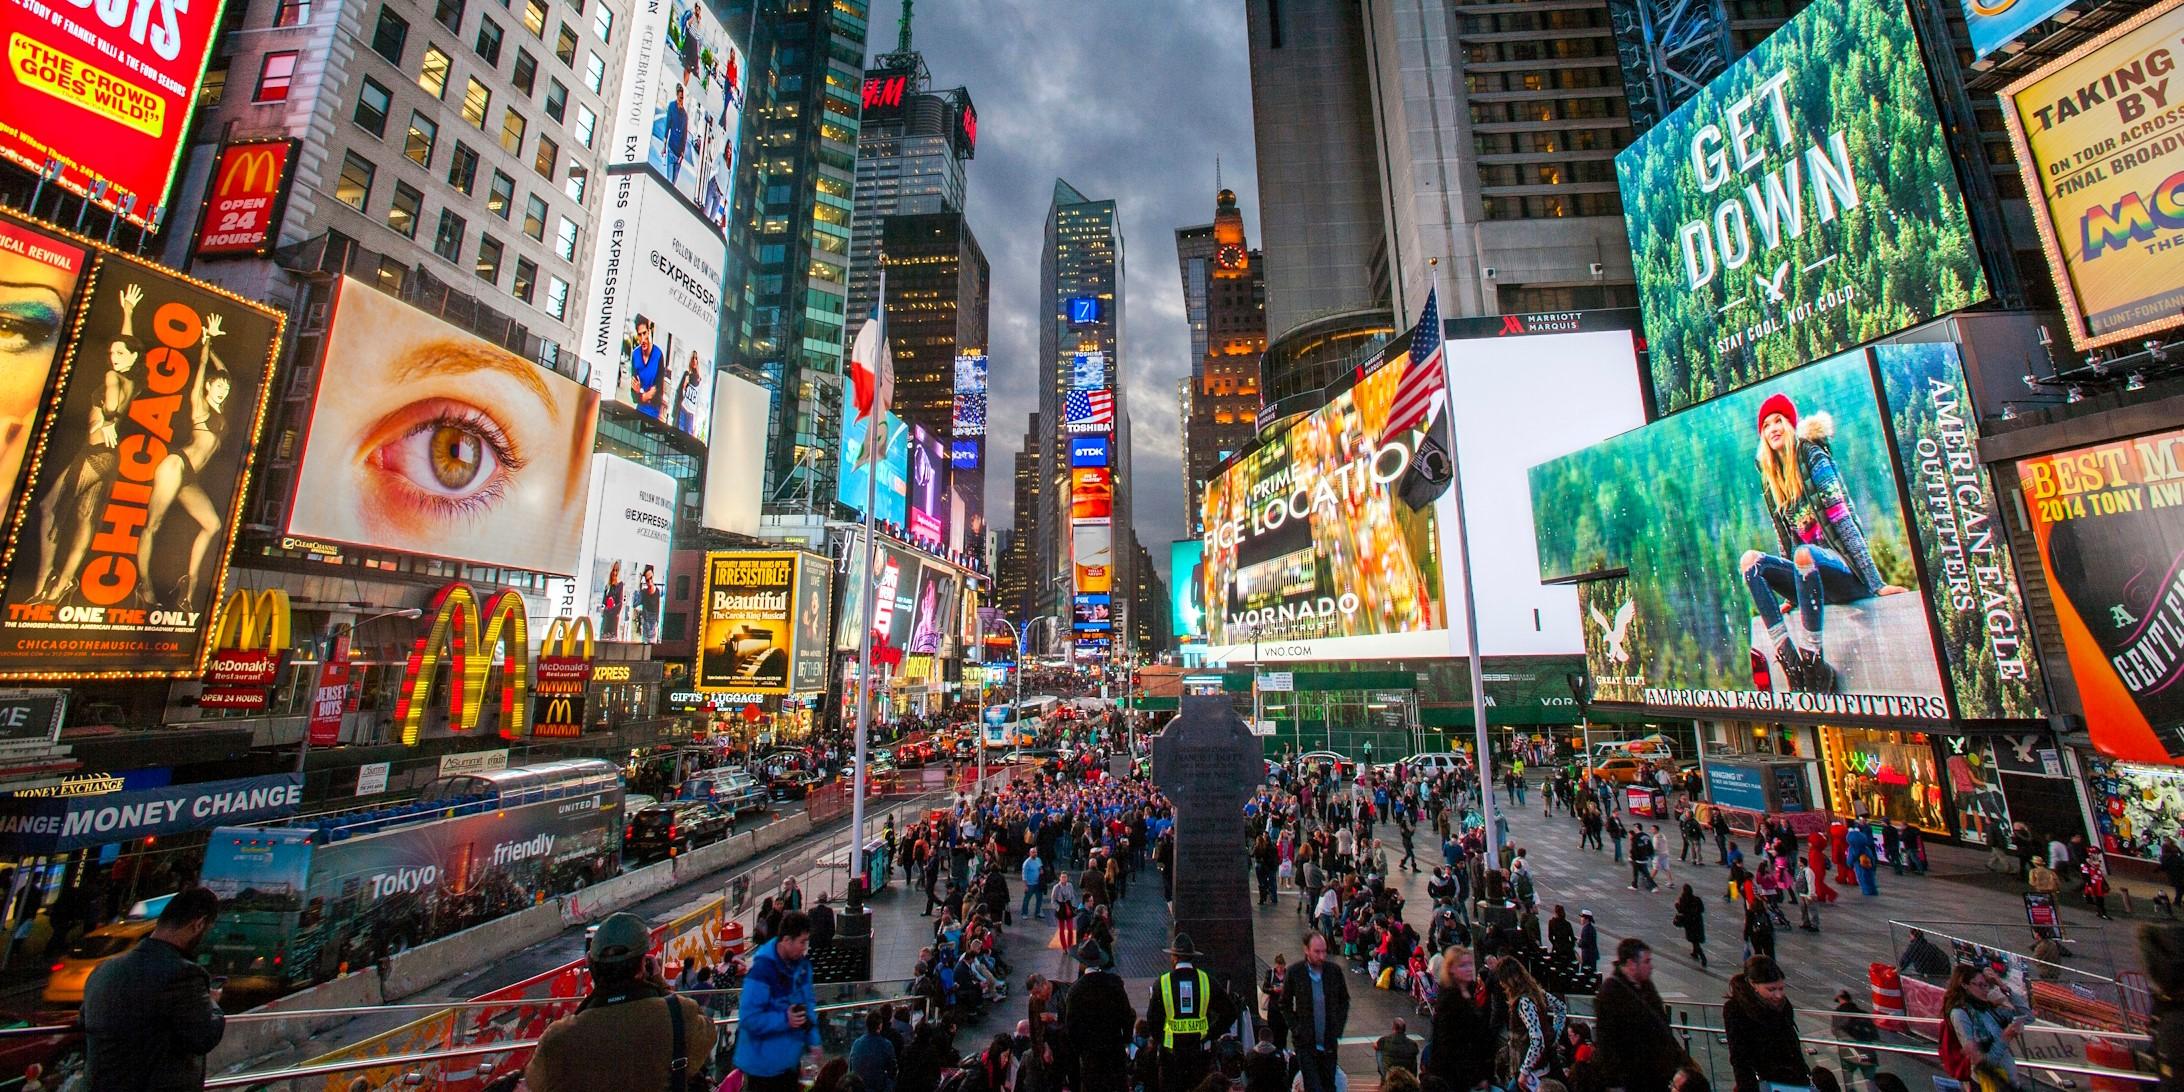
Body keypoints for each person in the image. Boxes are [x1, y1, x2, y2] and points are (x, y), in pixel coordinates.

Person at [1740, 391, 1909, 693]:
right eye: (1766, 425)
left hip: (1842, 572)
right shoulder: (1771, 479)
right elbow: (1784, 539)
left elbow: (1844, 521)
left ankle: (1813, 659)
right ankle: (1790, 660)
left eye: (1778, 421)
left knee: (1805, 554)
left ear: (1790, 425)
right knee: (1750, 561)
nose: (1773, 429)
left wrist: (1875, 582)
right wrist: (1791, 592)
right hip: (1808, 576)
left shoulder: (1812, 456)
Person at [525, 912, 718, 1092]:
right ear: (643, 966)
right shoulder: (679, 1015)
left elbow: (534, 1082)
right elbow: (708, 1036)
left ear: (590, 965)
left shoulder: (558, 1038)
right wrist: (660, 984)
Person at [82, 886, 225, 1091]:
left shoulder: (103, 970)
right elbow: (205, 1036)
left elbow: (85, 1021)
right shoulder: (183, 974)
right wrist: (212, 1000)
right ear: (198, 925)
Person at [735, 909, 822, 1092]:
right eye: (802, 942)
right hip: (763, 1071)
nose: (805, 948)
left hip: (789, 1063)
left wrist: (814, 1041)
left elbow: (808, 1005)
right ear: (786, 940)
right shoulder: (760, 973)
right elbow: (749, 1018)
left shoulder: (803, 968)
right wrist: (785, 1020)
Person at [1594, 939, 1685, 1092]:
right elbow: (1607, 1041)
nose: (1651, 967)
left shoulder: (1646, 986)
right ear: (1631, 964)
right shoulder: (1610, 993)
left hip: (1657, 1075)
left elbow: (1661, 1025)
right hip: (1634, 1079)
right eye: (1646, 961)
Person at [1146, 933, 1234, 1092]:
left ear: (1174, 957)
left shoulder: (1162, 983)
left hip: (1171, 1057)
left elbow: (1152, 1021)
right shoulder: (1207, 981)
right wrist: (1210, 1033)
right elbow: (1230, 1013)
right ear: (1192, 957)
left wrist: (1163, 1040)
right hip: (1200, 1056)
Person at [1941, 962, 2032, 1092]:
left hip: (2007, 1082)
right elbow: (1981, 1063)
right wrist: (2005, 1037)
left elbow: (2027, 1016)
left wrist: (2003, 986)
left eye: (1987, 985)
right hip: (1988, 1084)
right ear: (1965, 985)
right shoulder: (1961, 1014)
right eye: (1980, 985)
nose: (1985, 990)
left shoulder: (1987, 1008)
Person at [1723, 956, 1808, 1092]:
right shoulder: (1736, 1009)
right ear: (1753, 984)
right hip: (1765, 1081)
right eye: (1771, 989)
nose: (1778, 995)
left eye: (1781, 988)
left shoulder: (1783, 1006)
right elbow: (1739, 1058)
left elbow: (1793, 1045)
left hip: (1795, 1080)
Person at [1062, 939, 1135, 1092]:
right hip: (1114, 1052)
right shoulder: (1114, 983)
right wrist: (1126, 1040)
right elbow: (1127, 1015)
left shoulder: (1075, 991)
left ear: (1082, 963)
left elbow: (1071, 1028)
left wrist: (1081, 1050)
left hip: (1091, 1057)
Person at [1284, 931, 1352, 1092]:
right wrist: (1296, 1028)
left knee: (1329, 1085)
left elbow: (1344, 1000)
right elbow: (1284, 1004)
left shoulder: (1333, 971)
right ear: (1306, 950)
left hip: (1328, 1043)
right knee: (1313, 1086)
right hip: (1306, 1044)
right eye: (1317, 951)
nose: (1322, 956)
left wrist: (1337, 1028)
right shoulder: (1295, 972)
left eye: (1324, 951)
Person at [1427, 946, 1493, 1092]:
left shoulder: (1468, 991)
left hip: (1467, 1071)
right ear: (1451, 969)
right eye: (1463, 965)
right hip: (1453, 1074)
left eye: (1470, 964)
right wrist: (1476, 1075)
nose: (1469, 969)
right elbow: (1449, 1043)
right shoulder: (1450, 999)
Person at [1495, 957, 1566, 1092]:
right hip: (1541, 1064)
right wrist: (1555, 1034)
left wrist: (1525, 1070)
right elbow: (1561, 1007)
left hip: (1531, 1070)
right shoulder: (1537, 993)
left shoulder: (1523, 1003)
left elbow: (1537, 1040)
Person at [1831, 989, 1883, 1091]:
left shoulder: (1837, 1015)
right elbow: (1874, 1035)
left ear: (1840, 999)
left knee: (1848, 1081)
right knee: (1870, 1080)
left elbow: (1835, 1031)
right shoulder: (1863, 1013)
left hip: (1848, 1053)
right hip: (1867, 1052)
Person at [850, 1010, 897, 1092]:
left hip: (858, 1087)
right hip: (877, 1087)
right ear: (880, 1025)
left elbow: (851, 1066)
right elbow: (892, 1070)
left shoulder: (856, 1043)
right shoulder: (886, 1044)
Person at [1675, 884, 1709, 969]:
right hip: (1697, 922)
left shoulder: (1683, 900)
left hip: (1689, 922)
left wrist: (1676, 905)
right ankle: (1695, 952)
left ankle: (1702, 956)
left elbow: (1681, 910)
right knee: (1695, 939)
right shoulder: (1697, 899)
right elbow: (1702, 909)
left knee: (1694, 940)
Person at [1579, 909, 1600, 974]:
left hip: (1587, 957)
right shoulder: (1591, 928)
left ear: (1586, 919)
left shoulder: (1586, 929)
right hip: (1592, 956)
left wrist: (1578, 942)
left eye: (1582, 917)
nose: (1581, 919)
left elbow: (1584, 943)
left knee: (1585, 975)